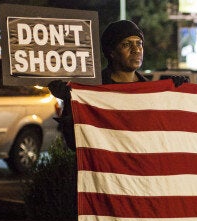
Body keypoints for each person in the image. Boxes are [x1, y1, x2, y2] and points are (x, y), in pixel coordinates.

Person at [49, 20, 187, 150]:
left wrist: (178, 93)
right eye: (126, 44)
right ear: (111, 52)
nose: (136, 49)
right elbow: (75, 144)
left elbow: (167, 136)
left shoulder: (152, 92)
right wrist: (70, 102)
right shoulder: (92, 90)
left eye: (139, 43)